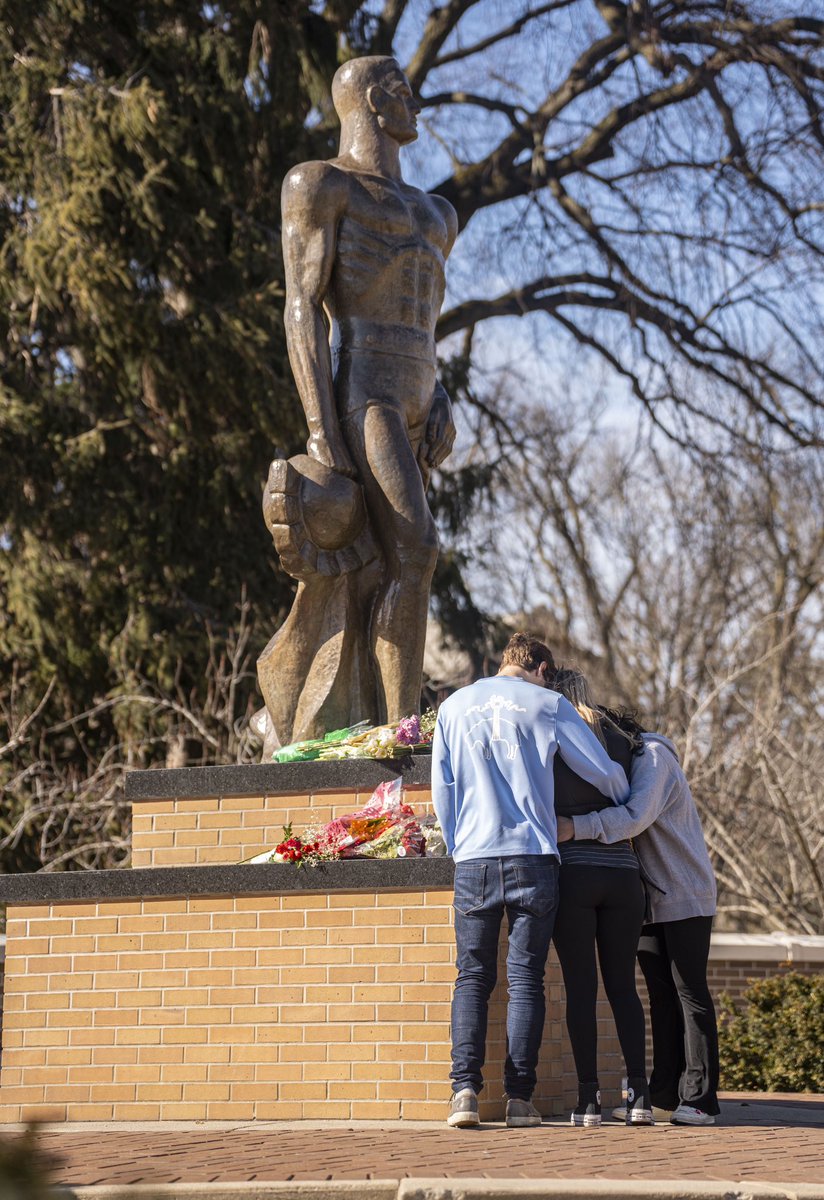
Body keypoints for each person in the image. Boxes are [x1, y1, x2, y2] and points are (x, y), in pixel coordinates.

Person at [277, 54, 458, 727]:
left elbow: (428, 323)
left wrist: (441, 399)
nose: (416, 107)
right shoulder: (322, 185)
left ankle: (391, 719)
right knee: (417, 549)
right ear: (377, 102)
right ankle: (400, 730)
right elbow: (301, 309)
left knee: (395, 564)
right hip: (368, 392)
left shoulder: (438, 213)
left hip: (419, 396)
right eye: (405, 95)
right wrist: (322, 431)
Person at [432, 634, 631, 1130]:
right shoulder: (549, 703)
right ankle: (520, 1100)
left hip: (475, 855)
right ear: (542, 668)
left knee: (472, 978)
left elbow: (443, 789)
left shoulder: (454, 706)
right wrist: (622, 792)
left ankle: (464, 1093)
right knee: (525, 980)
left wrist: (460, 844)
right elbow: (600, 769)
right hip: (533, 855)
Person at [557, 724, 720, 1126]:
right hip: (651, 898)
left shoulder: (653, 757)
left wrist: (575, 827)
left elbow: (636, 816)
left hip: (685, 893)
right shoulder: (631, 761)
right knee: (661, 998)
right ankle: (664, 1094)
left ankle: (701, 1099)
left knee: (690, 994)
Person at [550, 669, 651, 1127]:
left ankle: (588, 1100)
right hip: (624, 876)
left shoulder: (550, 735)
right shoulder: (619, 738)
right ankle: (640, 1096)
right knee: (623, 988)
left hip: (573, 872)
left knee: (581, 989)